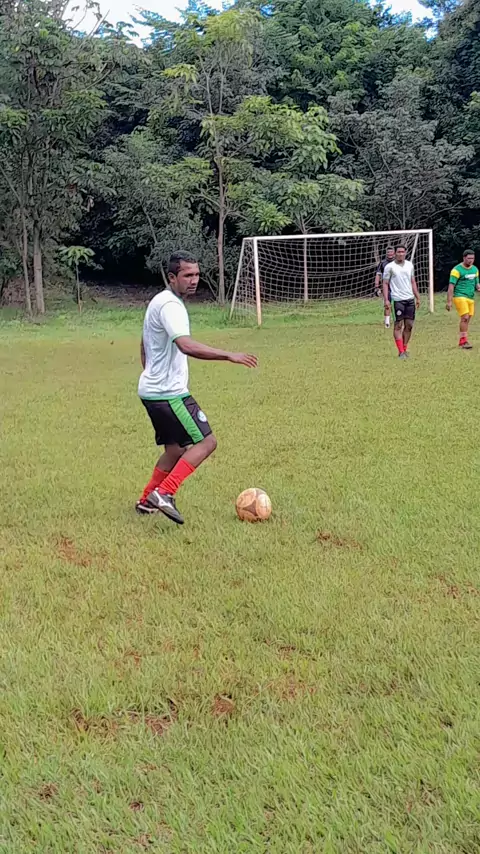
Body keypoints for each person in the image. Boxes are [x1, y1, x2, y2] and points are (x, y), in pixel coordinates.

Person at [136, 251, 257, 525]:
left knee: (174, 450)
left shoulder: (159, 301)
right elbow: (186, 345)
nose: (194, 280)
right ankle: (164, 493)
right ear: (172, 277)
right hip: (169, 394)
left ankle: (147, 501)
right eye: (187, 275)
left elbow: (144, 343)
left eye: (197, 275)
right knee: (207, 442)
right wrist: (229, 355)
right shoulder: (171, 306)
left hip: (152, 391)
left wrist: (150, 373)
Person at [383, 245, 421, 359]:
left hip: (409, 299)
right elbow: (385, 283)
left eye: (402, 252)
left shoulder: (409, 265)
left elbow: (412, 281)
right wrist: (386, 300)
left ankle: (404, 348)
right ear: (395, 253)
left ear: (405, 253)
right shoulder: (389, 267)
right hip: (397, 300)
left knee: (409, 325)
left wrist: (417, 296)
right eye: (398, 252)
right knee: (398, 325)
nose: (400, 254)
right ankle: (400, 351)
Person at [446, 250, 480, 349]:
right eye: (469, 258)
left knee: (467, 319)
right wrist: (449, 301)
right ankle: (463, 341)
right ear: (464, 258)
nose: (471, 260)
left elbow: (477, 283)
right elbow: (451, 286)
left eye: (472, 258)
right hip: (460, 296)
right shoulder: (456, 270)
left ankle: (463, 339)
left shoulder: (475, 269)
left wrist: (478, 287)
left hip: (470, 297)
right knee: (465, 317)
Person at [375, 246, 395, 328]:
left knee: (399, 304)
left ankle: (399, 321)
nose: (390, 254)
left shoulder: (398, 262)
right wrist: (376, 286)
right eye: (388, 252)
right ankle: (387, 323)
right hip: (387, 287)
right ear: (386, 253)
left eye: (391, 252)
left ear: (394, 253)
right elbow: (378, 274)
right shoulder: (382, 263)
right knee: (387, 304)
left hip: (397, 287)